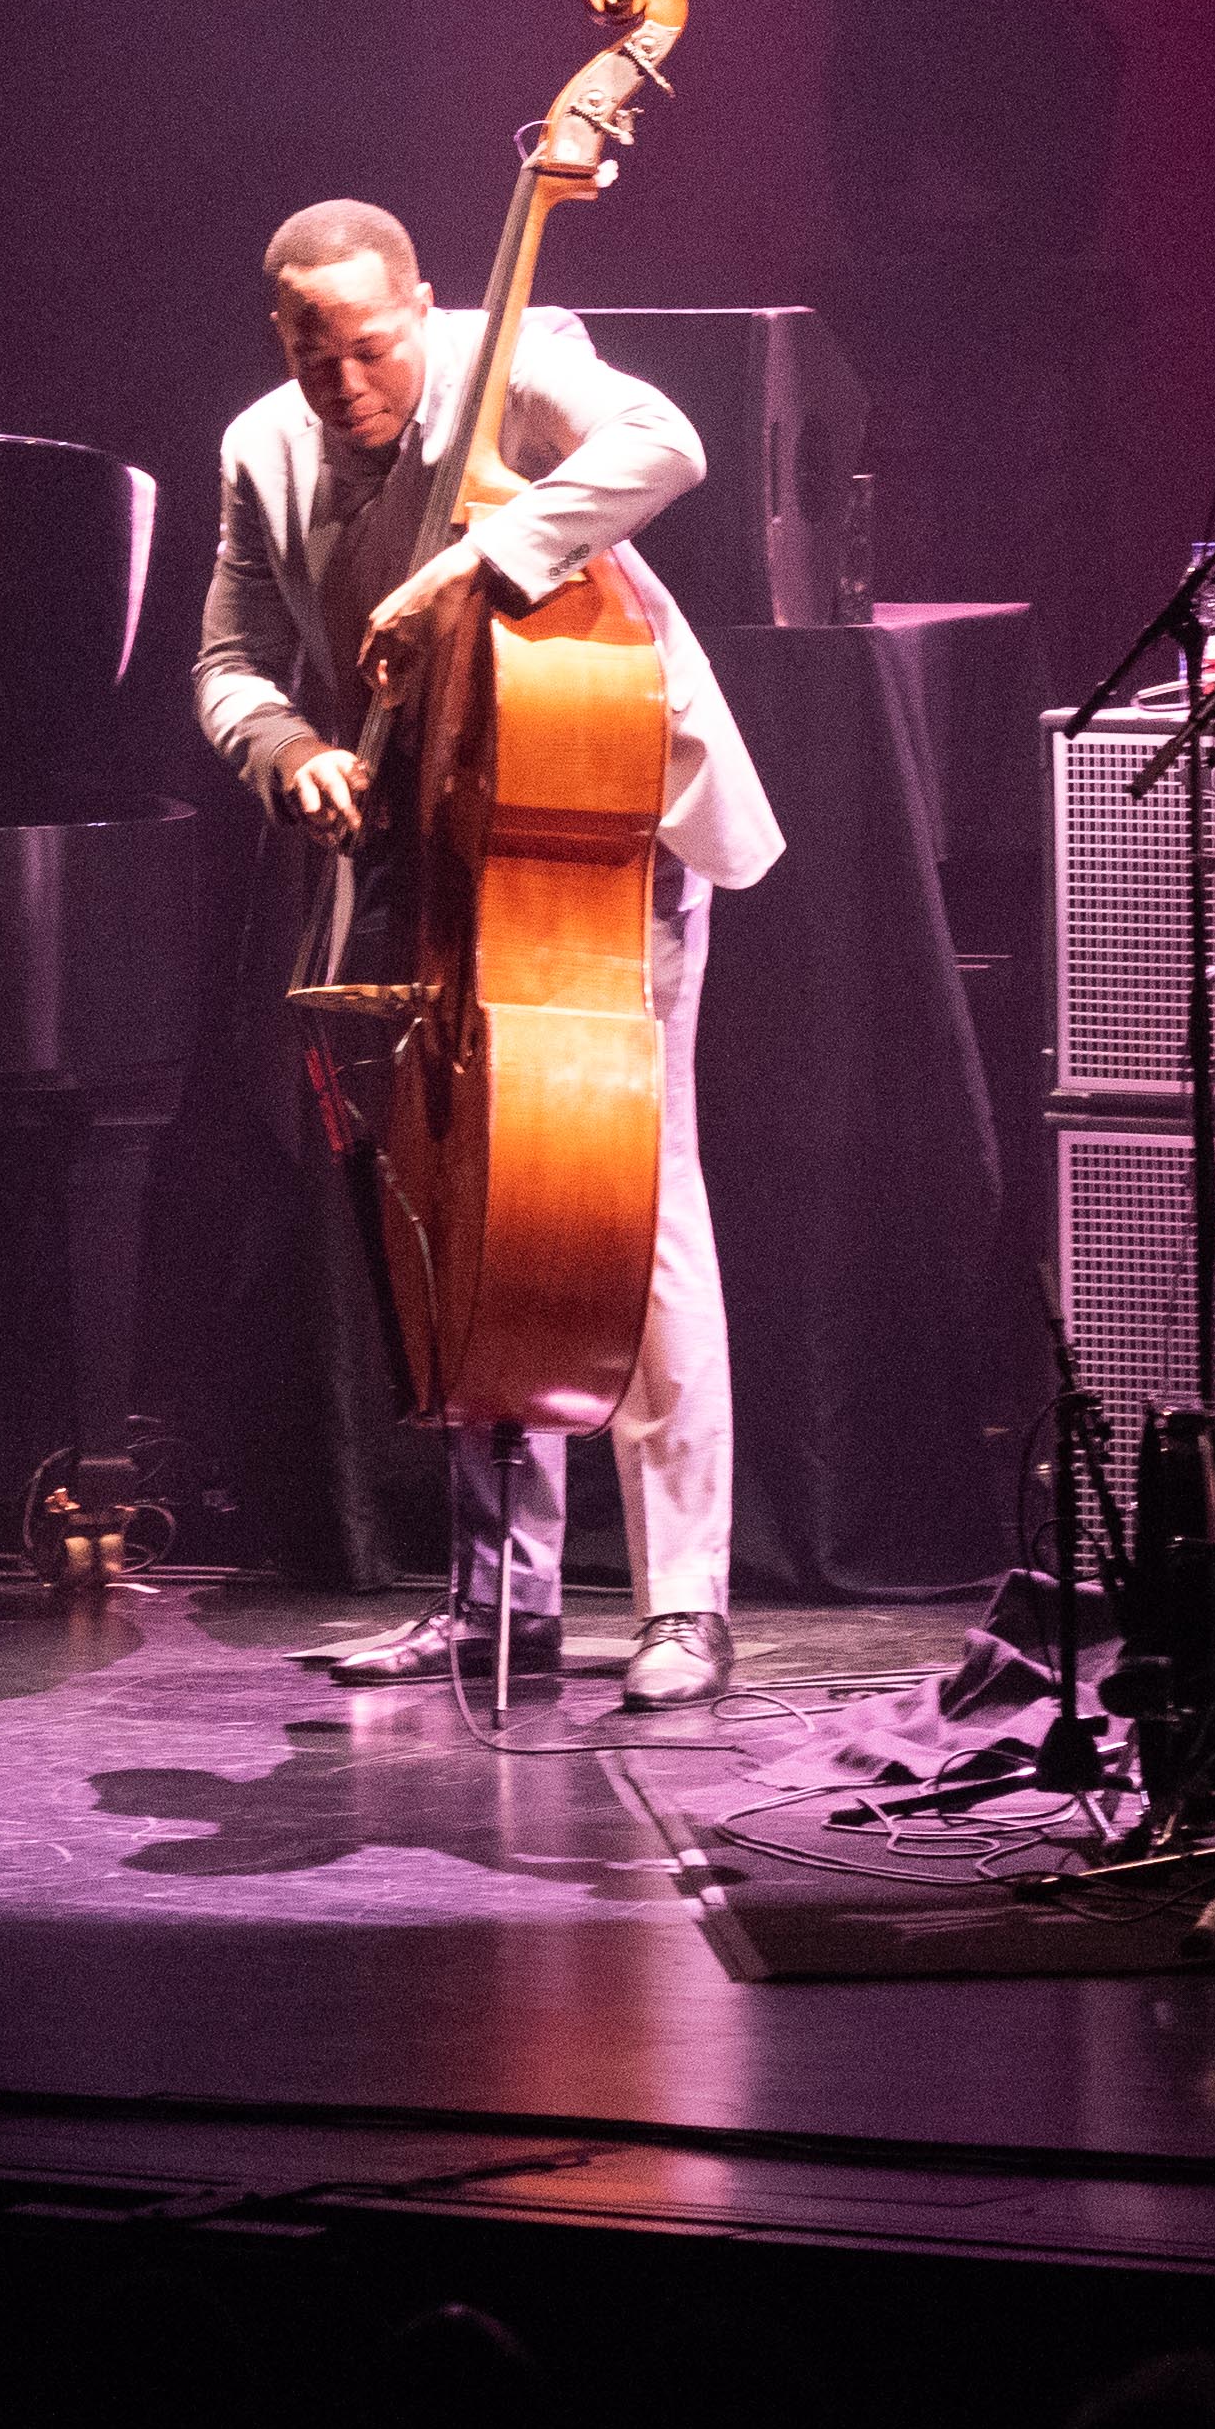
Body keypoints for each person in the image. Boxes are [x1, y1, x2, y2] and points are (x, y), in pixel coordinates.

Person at [196, 203, 784, 1707]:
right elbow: (230, 660)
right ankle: (494, 1605)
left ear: (424, 308)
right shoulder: (259, 445)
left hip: (591, 822)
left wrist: (486, 556)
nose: (344, 386)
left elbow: (667, 444)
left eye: (371, 348)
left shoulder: (521, 354)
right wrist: (288, 748)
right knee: (465, 1204)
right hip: (428, 846)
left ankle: (685, 1603)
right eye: (311, 356)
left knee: (635, 1199)